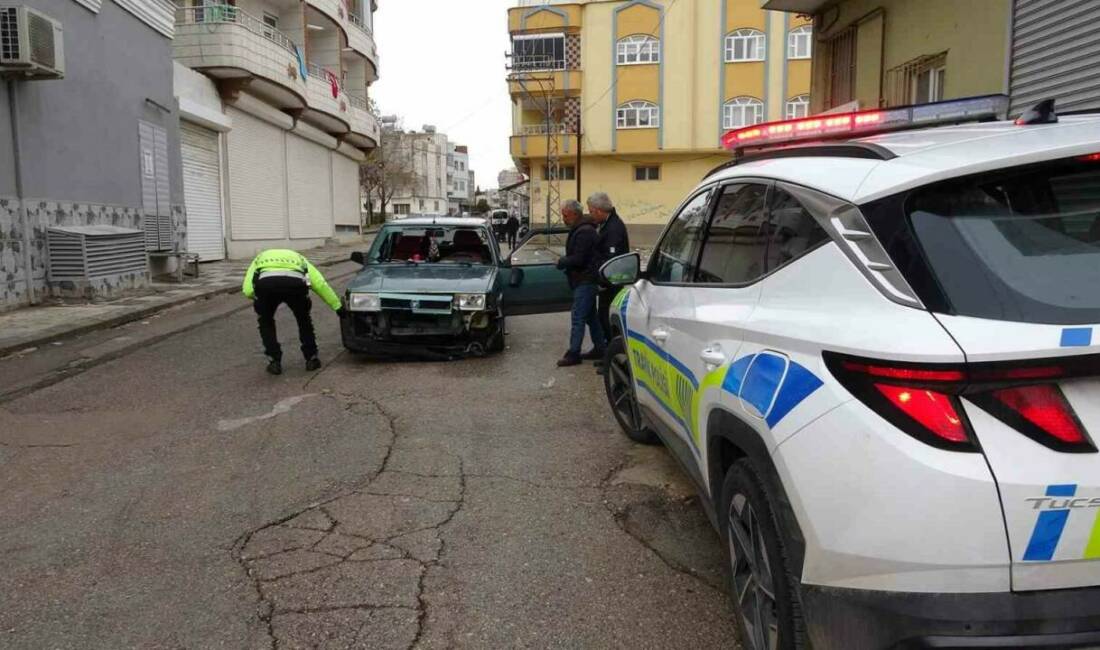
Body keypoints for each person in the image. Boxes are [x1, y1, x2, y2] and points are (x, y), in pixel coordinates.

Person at [242, 249, 345, 375]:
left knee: (266, 322)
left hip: (267, 285)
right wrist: (337, 307)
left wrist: (258, 299)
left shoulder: (260, 258)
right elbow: (319, 283)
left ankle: (274, 361)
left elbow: (247, 289)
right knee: (304, 320)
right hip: (295, 285)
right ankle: (311, 359)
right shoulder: (299, 258)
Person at [555, 200, 605, 367]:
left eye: (565, 215)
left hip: (585, 280)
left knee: (578, 317)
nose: (564, 219)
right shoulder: (582, 229)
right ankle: (601, 348)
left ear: (574, 214)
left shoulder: (584, 232)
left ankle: (573, 353)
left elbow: (579, 258)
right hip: (584, 279)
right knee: (591, 317)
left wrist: (563, 261)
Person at [588, 192, 630, 355]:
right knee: (603, 316)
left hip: (612, 281)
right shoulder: (607, 224)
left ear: (598, 210)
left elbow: (611, 258)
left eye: (591, 211)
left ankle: (612, 356)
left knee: (607, 318)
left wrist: (601, 278)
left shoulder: (613, 228)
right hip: (608, 280)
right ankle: (607, 353)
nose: (591, 215)